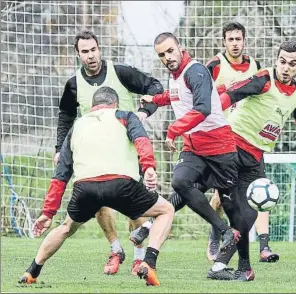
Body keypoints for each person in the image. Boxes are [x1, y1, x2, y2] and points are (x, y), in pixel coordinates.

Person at [18, 87, 174, 286]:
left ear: (93, 107)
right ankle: (148, 262)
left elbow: (61, 174)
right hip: (121, 185)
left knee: (66, 227)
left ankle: (31, 272)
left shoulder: (77, 126)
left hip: (85, 188)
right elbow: (142, 141)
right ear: (115, 104)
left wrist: (47, 213)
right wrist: (149, 166)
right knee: (166, 210)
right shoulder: (125, 116)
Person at [206, 40, 296, 281]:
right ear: (276, 60)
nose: (286, 68)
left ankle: (219, 266)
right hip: (231, 145)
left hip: (255, 156)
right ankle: (152, 224)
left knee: (248, 215)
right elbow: (232, 93)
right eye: (282, 62)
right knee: (193, 185)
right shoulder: (263, 79)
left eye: (292, 64)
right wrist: (212, 112)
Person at [54, 30, 164, 275]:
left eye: (94, 49)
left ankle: (137, 258)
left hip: (126, 150)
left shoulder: (121, 73)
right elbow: (65, 117)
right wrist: (58, 148)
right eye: (85, 51)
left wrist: (145, 112)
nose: (91, 55)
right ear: (78, 54)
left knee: (135, 206)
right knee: (97, 203)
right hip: (92, 153)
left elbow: (155, 87)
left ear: (99, 49)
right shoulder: (73, 84)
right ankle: (116, 249)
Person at [137, 32, 243, 253]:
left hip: (218, 146)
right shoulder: (175, 75)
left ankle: (242, 259)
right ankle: (223, 231)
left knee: (229, 203)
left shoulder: (195, 70)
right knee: (180, 182)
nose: (167, 57)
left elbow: (202, 108)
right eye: (162, 55)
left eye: (170, 51)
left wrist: (174, 130)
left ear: (180, 47)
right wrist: (155, 99)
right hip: (194, 146)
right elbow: (177, 95)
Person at [205, 21, 280, 263]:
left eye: (239, 39)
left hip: (251, 137)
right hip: (220, 136)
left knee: (260, 190)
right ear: (223, 41)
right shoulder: (215, 66)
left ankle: (264, 247)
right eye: (230, 39)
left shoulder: (256, 67)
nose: (235, 44)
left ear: (244, 40)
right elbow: (201, 95)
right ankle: (216, 232)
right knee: (219, 196)